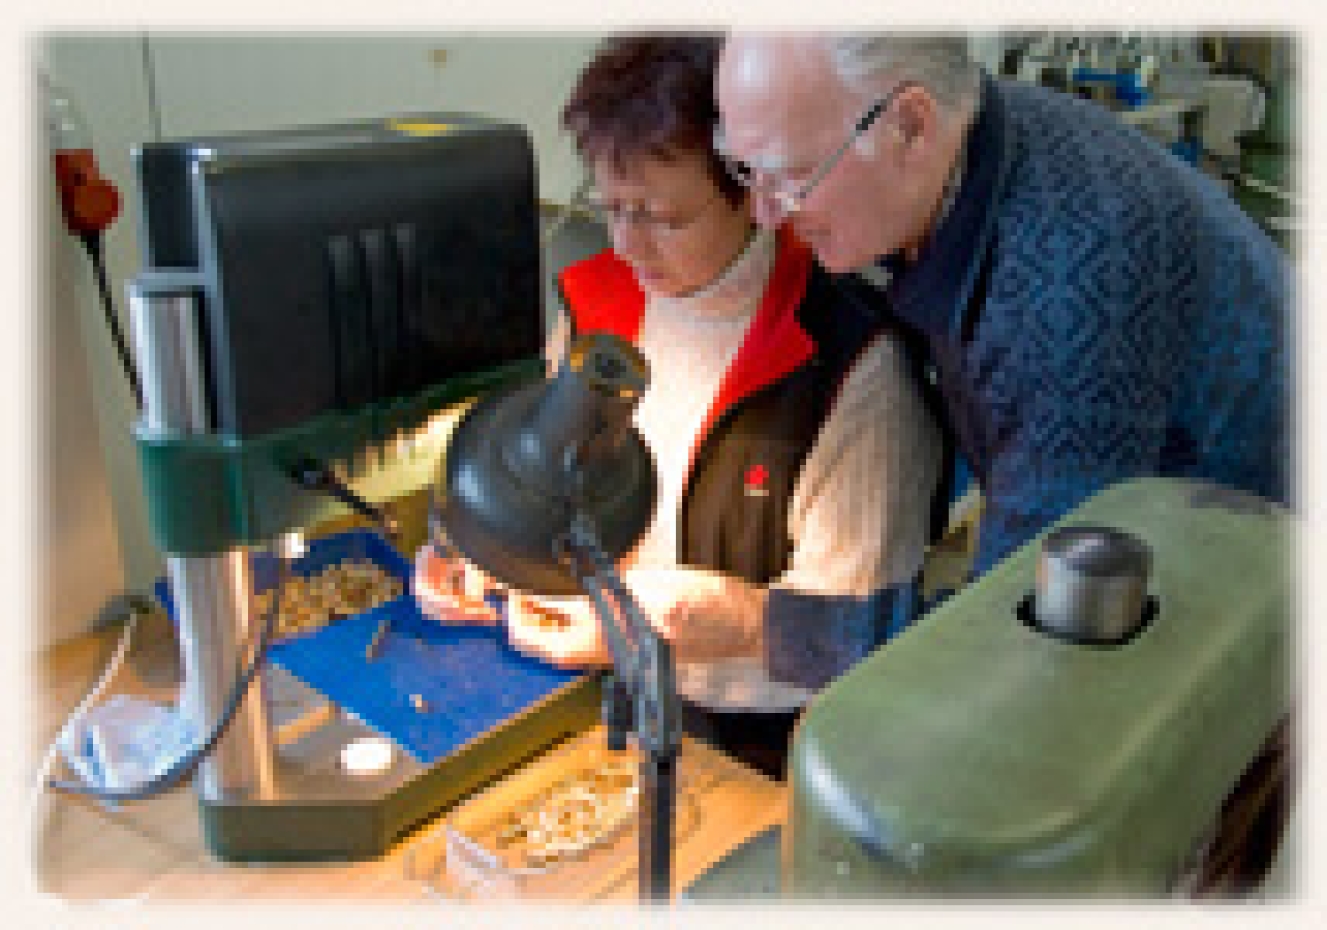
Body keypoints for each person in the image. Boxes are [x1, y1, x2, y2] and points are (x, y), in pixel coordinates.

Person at [416, 35, 941, 778]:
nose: (629, 245)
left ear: (751, 194)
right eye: (612, 208)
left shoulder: (849, 364)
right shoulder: (597, 308)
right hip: (603, 699)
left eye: (662, 218)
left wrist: (676, 632)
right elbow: (542, 485)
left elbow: (859, 642)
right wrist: (485, 554)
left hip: (754, 746)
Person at [714, 34, 1290, 578]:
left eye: (790, 174)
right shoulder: (968, 141)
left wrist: (760, 622)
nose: (765, 214)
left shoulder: (1064, 299)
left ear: (910, 127)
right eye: (745, 170)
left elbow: (1027, 621)